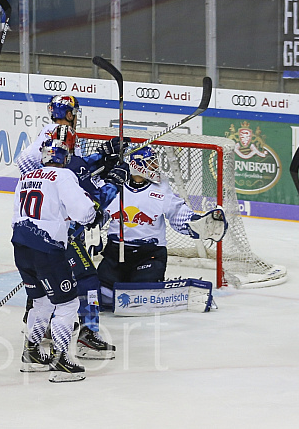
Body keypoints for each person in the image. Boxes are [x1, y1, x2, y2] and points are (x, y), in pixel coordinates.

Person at [16, 95, 129, 360]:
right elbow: (88, 201)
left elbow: (75, 168)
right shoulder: (62, 146)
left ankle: (36, 338)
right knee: (86, 278)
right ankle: (84, 337)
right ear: (69, 114)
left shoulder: (46, 150)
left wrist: (101, 157)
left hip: (27, 234)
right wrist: (113, 178)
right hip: (56, 236)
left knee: (42, 290)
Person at [13, 125, 96, 382]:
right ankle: (61, 359)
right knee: (68, 303)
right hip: (47, 250)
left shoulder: (25, 178)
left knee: (41, 302)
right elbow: (83, 212)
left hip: (20, 247)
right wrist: (94, 214)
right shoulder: (63, 177)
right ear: (65, 157)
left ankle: (33, 353)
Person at [97, 145, 227, 308]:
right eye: (151, 163)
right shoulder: (114, 186)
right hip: (115, 253)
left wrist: (195, 224)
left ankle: (160, 286)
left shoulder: (160, 187)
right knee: (102, 296)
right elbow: (97, 214)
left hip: (149, 254)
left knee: (140, 297)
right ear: (136, 164)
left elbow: (176, 211)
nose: (155, 167)